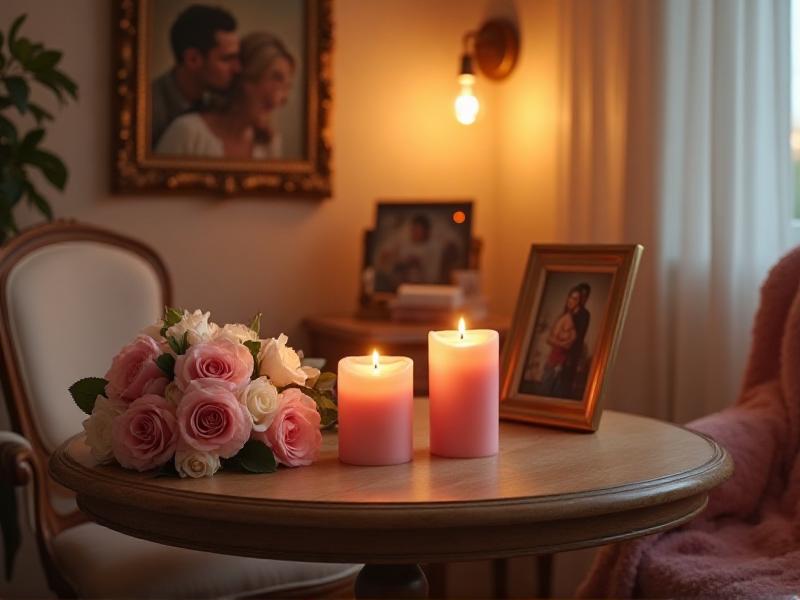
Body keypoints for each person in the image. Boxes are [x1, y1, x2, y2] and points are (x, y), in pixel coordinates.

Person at [155, 32, 295, 159]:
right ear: (244, 75)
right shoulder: (187, 132)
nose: (282, 99)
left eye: (288, 86)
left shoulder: (270, 144)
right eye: (276, 78)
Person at [150, 5, 241, 147]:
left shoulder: (217, 102)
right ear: (192, 59)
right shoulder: (147, 109)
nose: (237, 69)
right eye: (226, 59)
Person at [539, 286, 582, 396]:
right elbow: (550, 339)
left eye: (575, 299)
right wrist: (563, 343)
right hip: (554, 360)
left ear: (579, 302)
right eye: (570, 297)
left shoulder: (574, 320)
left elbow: (572, 341)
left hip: (563, 363)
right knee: (546, 390)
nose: (571, 301)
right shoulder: (563, 318)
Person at [558, 282, 592, 398]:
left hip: (572, 352)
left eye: (584, 296)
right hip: (561, 350)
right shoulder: (569, 311)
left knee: (566, 380)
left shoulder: (584, 314)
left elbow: (577, 336)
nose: (581, 299)